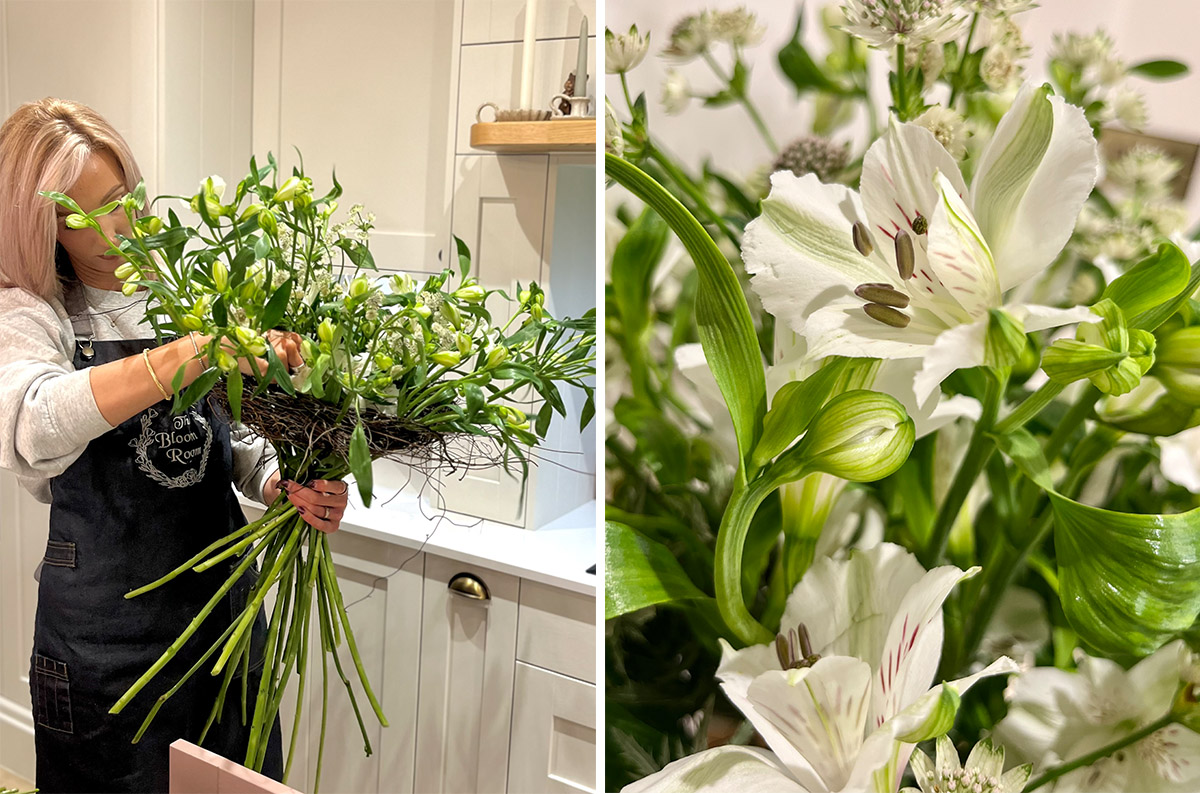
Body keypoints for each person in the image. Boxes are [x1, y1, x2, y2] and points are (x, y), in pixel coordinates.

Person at [0, 97, 348, 792]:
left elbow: (233, 438)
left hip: (223, 626)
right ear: (41, 228)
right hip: (108, 653)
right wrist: (186, 356)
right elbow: (32, 423)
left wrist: (283, 483)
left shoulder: (183, 293)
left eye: (121, 197)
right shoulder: (31, 313)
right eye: (79, 215)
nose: (116, 225)